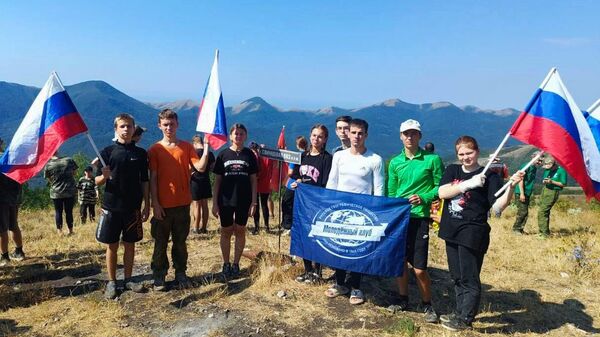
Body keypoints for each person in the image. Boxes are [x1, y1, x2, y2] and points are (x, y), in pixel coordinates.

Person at [437, 136, 523, 331]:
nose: (465, 157)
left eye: (469, 153)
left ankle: (465, 319)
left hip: (473, 232)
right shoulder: (453, 170)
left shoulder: (490, 176)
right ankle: (459, 312)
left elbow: (498, 208)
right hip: (451, 230)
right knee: (457, 276)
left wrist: (511, 186)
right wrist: (468, 184)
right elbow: (442, 193)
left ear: (477, 152)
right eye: (461, 154)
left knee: (469, 277)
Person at [386, 119, 444, 323]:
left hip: (420, 217)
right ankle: (403, 299)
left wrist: (424, 198)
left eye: (414, 134)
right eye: (406, 134)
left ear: (420, 136)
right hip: (400, 218)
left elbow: (440, 187)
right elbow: (392, 192)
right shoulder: (394, 162)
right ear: (401, 136)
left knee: (419, 268)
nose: (410, 137)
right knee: (400, 262)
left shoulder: (432, 160)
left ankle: (427, 304)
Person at [325, 118, 384, 305]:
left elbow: (379, 190)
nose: (357, 136)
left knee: (358, 250)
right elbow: (332, 182)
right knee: (339, 247)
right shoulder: (339, 156)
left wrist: (376, 213)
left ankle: (357, 287)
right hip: (339, 211)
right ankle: (340, 283)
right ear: (348, 133)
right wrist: (327, 205)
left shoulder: (375, 159)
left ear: (366, 135)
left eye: (361, 133)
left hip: (362, 214)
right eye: (353, 132)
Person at [148, 109, 209, 290]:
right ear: (159, 126)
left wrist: (206, 148)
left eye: (172, 124)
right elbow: (153, 178)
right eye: (165, 124)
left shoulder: (186, 147)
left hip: (182, 204)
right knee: (160, 243)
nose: (169, 128)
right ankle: (159, 275)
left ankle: (180, 272)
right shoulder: (155, 150)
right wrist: (155, 204)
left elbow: (200, 168)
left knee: (180, 243)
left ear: (177, 125)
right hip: (163, 206)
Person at [95, 113, 150, 299]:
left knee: (130, 245)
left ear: (134, 128)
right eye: (122, 126)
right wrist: (103, 176)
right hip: (111, 207)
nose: (126, 129)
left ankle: (128, 279)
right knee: (112, 245)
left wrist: (147, 204)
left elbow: (144, 181)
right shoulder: (107, 152)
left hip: (133, 207)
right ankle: (112, 282)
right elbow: (96, 181)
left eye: (129, 126)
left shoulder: (141, 154)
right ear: (116, 129)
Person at [212, 124, 258, 278]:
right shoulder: (223, 154)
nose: (238, 136)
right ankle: (226, 263)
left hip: (243, 200)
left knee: (240, 230)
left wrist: (254, 202)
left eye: (241, 134)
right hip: (225, 200)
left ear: (245, 136)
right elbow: (217, 181)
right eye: (235, 134)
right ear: (230, 136)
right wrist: (214, 203)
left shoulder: (250, 155)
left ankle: (236, 263)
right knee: (225, 231)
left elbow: (253, 180)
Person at [289, 126, 332, 284]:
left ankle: (318, 272)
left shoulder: (327, 158)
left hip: (318, 203)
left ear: (325, 139)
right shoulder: (303, 156)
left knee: (317, 237)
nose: (316, 139)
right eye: (314, 135)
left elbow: (326, 182)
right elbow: (294, 175)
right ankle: (308, 270)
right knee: (303, 236)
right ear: (310, 136)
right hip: (302, 203)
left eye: (320, 136)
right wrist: (296, 182)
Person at [44, 153, 78, 235]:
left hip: (56, 192)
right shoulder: (69, 160)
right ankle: (70, 230)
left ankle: (59, 231)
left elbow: (48, 179)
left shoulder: (48, 165)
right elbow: (75, 173)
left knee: (58, 211)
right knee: (69, 211)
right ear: (57, 151)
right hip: (69, 190)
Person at [281, 136, 308, 232]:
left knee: (287, 204)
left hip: (292, 185)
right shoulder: (308, 156)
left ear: (297, 145)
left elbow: (290, 172)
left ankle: (287, 225)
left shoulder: (295, 157)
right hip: (305, 186)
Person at [190, 134, 215, 235]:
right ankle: (204, 228)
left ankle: (195, 228)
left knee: (196, 205)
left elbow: (189, 168)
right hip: (206, 180)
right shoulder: (210, 154)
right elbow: (213, 168)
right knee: (205, 205)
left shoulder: (193, 153)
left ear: (194, 143)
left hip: (195, 181)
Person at [512, 153, 542, 234]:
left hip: (527, 192)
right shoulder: (526, 166)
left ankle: (520, 229)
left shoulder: (534, 168)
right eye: (538, 160)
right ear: (533, 158)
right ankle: (516, 229)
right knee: (522, 211)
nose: (539, 162)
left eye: (541, 161)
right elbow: (520, 180)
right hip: (521, 192)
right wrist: (522, 193)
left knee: (525, 212)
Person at [536, 156, 566, 238]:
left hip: (553, 192)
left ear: (553, 164)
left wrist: (552, 181)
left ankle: (544, 233)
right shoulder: (547, 170)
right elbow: (545, 179)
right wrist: (545, 181)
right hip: (545, 190)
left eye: (549, 166)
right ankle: (544, 231)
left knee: (542, 211)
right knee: (543, 210)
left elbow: (563, 184)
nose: (547, 168)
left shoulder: (561, 170)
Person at [0, 172, 25, 266]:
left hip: (2, 201)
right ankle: (19, 252)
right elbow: (20, 183)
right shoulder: (14, 167)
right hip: (13, 199)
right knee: (14, 226)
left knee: (2, 230)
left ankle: (4, 257)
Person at [250, 142, 273, 234]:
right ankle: (267, 227)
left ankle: (256, 227)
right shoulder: (268, 158)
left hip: (255, 183)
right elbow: (272, 167)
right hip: (265, 183)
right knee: (264, 205)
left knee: (256, 205)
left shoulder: (252, 157)